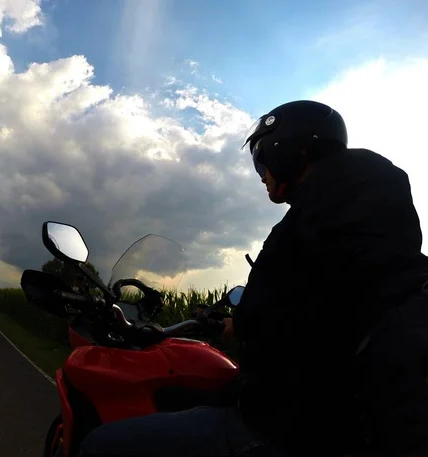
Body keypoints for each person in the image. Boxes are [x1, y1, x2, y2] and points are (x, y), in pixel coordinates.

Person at [78, 100, 428, 457]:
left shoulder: (307, 223)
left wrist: (237, 324)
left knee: (100, 446)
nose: (261, 173)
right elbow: (319, 308)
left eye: (262, 158)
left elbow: (265, 321)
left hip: (293, 425)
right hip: (358, 424)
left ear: (292, 150)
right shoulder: (383, 225)